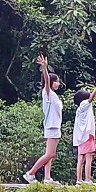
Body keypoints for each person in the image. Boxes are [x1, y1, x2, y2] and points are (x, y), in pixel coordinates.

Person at [23, 55, 62, 184]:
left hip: (54, 125)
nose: (58, 83)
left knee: (49, 154)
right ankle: (31, 173)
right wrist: (44, 68)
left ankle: (47, 177)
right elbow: (46, 80)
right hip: (52, 126)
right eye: (56, 81)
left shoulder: (53, 95)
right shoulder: (47, 93)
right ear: (51, 82)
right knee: (50, 154)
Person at [72, 76, 96, 184]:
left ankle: (79, 180)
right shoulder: (84, 104)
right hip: (87, 135)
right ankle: (87, 179)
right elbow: (91, 97)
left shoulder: (80, 108)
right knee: (88, 158)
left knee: (80, 159)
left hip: (81, 137)